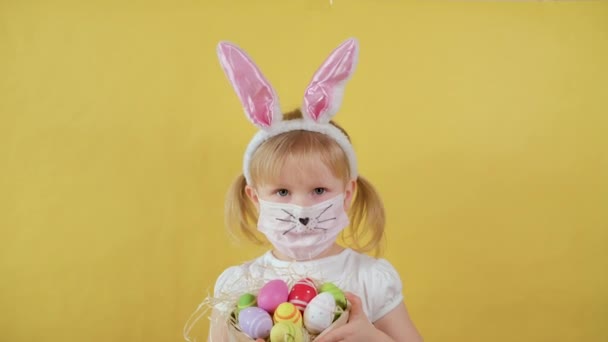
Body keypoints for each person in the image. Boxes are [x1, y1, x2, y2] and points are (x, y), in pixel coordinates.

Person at [208, 38, 423, 342]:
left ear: (347, 194)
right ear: (256, 198)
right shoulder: (238, 286)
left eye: (319, 190)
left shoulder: (370, 279)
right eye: (282, 192)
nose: (302, 209)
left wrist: (371, 336)